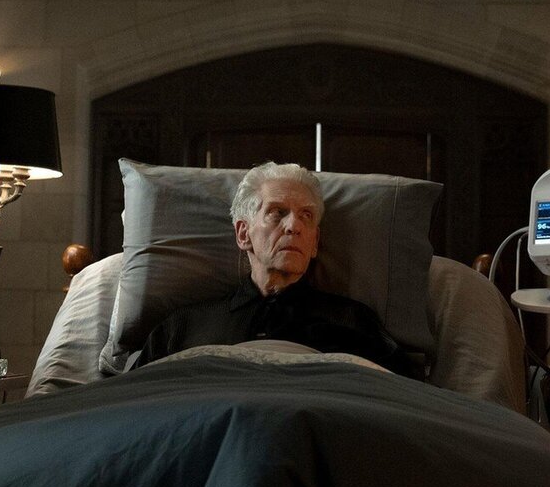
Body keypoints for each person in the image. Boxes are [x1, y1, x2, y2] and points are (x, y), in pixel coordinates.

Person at [138, 161, 412, 376]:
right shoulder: (185, 327)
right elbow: (135, 397)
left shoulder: (353, 322)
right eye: (277, 212)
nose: (294, 226)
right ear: (243, 234)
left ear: (314, 242)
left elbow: (405, 400)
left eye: (306, 216)